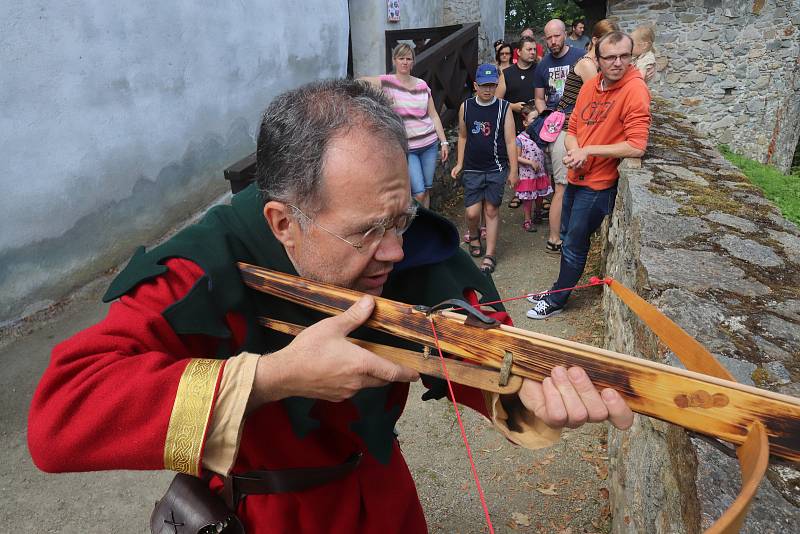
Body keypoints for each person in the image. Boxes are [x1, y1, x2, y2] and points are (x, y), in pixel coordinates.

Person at [28, 79, 634, 533]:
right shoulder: (201, 263)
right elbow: (59, 418)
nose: (395, 251)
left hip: (384, 498)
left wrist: (529, 394)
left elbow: (479, 344)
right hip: (262, 515)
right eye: (368, 231)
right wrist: (273, 376)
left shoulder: (398, 240)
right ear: (284, 221)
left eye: (401, 219)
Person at [527, 31, 652, 319]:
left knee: (573, 243)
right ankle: (558, 288)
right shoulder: (592, 85)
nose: (617, 63)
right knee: (568, 236)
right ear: (597, 58)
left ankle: (557, 301)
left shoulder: (635, 89)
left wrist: (589, 151)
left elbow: (636, 145)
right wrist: (575, 151)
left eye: (624, 56)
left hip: (598, 186)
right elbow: (572, 131)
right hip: (577, 176)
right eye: (610, 57)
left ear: (631, 57)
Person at [543, 18, 619, 254]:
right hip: (566, 132)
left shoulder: (590, 62)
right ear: (595, 41)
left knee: (568, 186)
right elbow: (602, 97)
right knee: (563, 187)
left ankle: (564, 236)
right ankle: (555, 238)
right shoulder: (587, 64)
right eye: (608, 43)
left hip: (573, 131)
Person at [362, 44, 449, 209]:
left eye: (408, 59)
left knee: (427, 189)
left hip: (429, 144)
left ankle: (427, 227)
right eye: (401, 58)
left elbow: (434, 115)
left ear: (413, 62)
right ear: (395, 61)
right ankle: (416, 228)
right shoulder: (387, 82)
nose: (405, 62)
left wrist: (444, 142)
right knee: (419, 192)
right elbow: (360, 82)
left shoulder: (422, 85)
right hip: (408, 148)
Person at [451, 64, 519, 275]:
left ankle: (490, 254)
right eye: (484, 86)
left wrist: (514, 170)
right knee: (472, 213)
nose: (488, 90)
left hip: (496, 167)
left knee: (491, 209)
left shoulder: (503, 108)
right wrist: (460, 163)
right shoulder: (467, 107)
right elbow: (463, 136)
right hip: (472, 168)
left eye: (492, 85)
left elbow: (510, 141)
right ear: (475, 85)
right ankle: (473, 235)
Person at [515, 104, 552, 232]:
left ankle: (538, 213)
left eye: (538, 119)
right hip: (527, 174)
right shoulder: (520, 139)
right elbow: (516, 157)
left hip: (540, 172)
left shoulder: (541, 136)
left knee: (540, 195)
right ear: (525, 123)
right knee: (528, 198)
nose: (537, 122)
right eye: (533, 119)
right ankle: (527, 220)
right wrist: (530, 162)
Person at [496, 35, 539, 134]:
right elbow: (497, 100)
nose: (533, 52)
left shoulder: (540, 70)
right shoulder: (506, 73)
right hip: (512, 125)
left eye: (534, 49)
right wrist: (512, 106)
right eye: (529, 49)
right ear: (519, 52)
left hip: (536, 126)